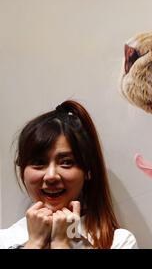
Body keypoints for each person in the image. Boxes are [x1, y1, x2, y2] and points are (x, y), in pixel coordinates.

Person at [0, 100, 138, 249]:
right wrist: (35, 243)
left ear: (88, 170)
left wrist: (62, 243)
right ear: (22, 170)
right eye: (38, 162)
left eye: (66, 162)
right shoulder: (5, 241)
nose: (51, 176)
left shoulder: (118, 242)